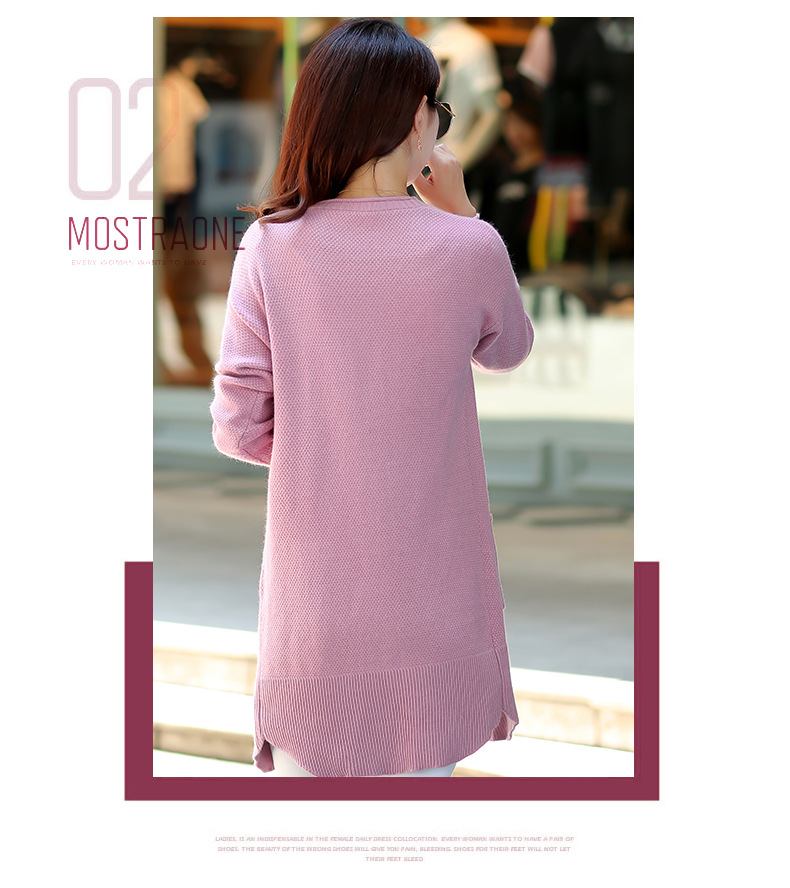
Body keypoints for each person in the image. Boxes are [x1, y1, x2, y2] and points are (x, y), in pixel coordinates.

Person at [210, 18, 534, 778]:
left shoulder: (271, 246)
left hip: (318, 614)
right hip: (437, 608)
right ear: (417, 119)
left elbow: (237, 427)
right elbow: (509, 350)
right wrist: (462, 213)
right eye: (439, 111)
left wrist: (326, 442)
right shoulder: (469, 246)